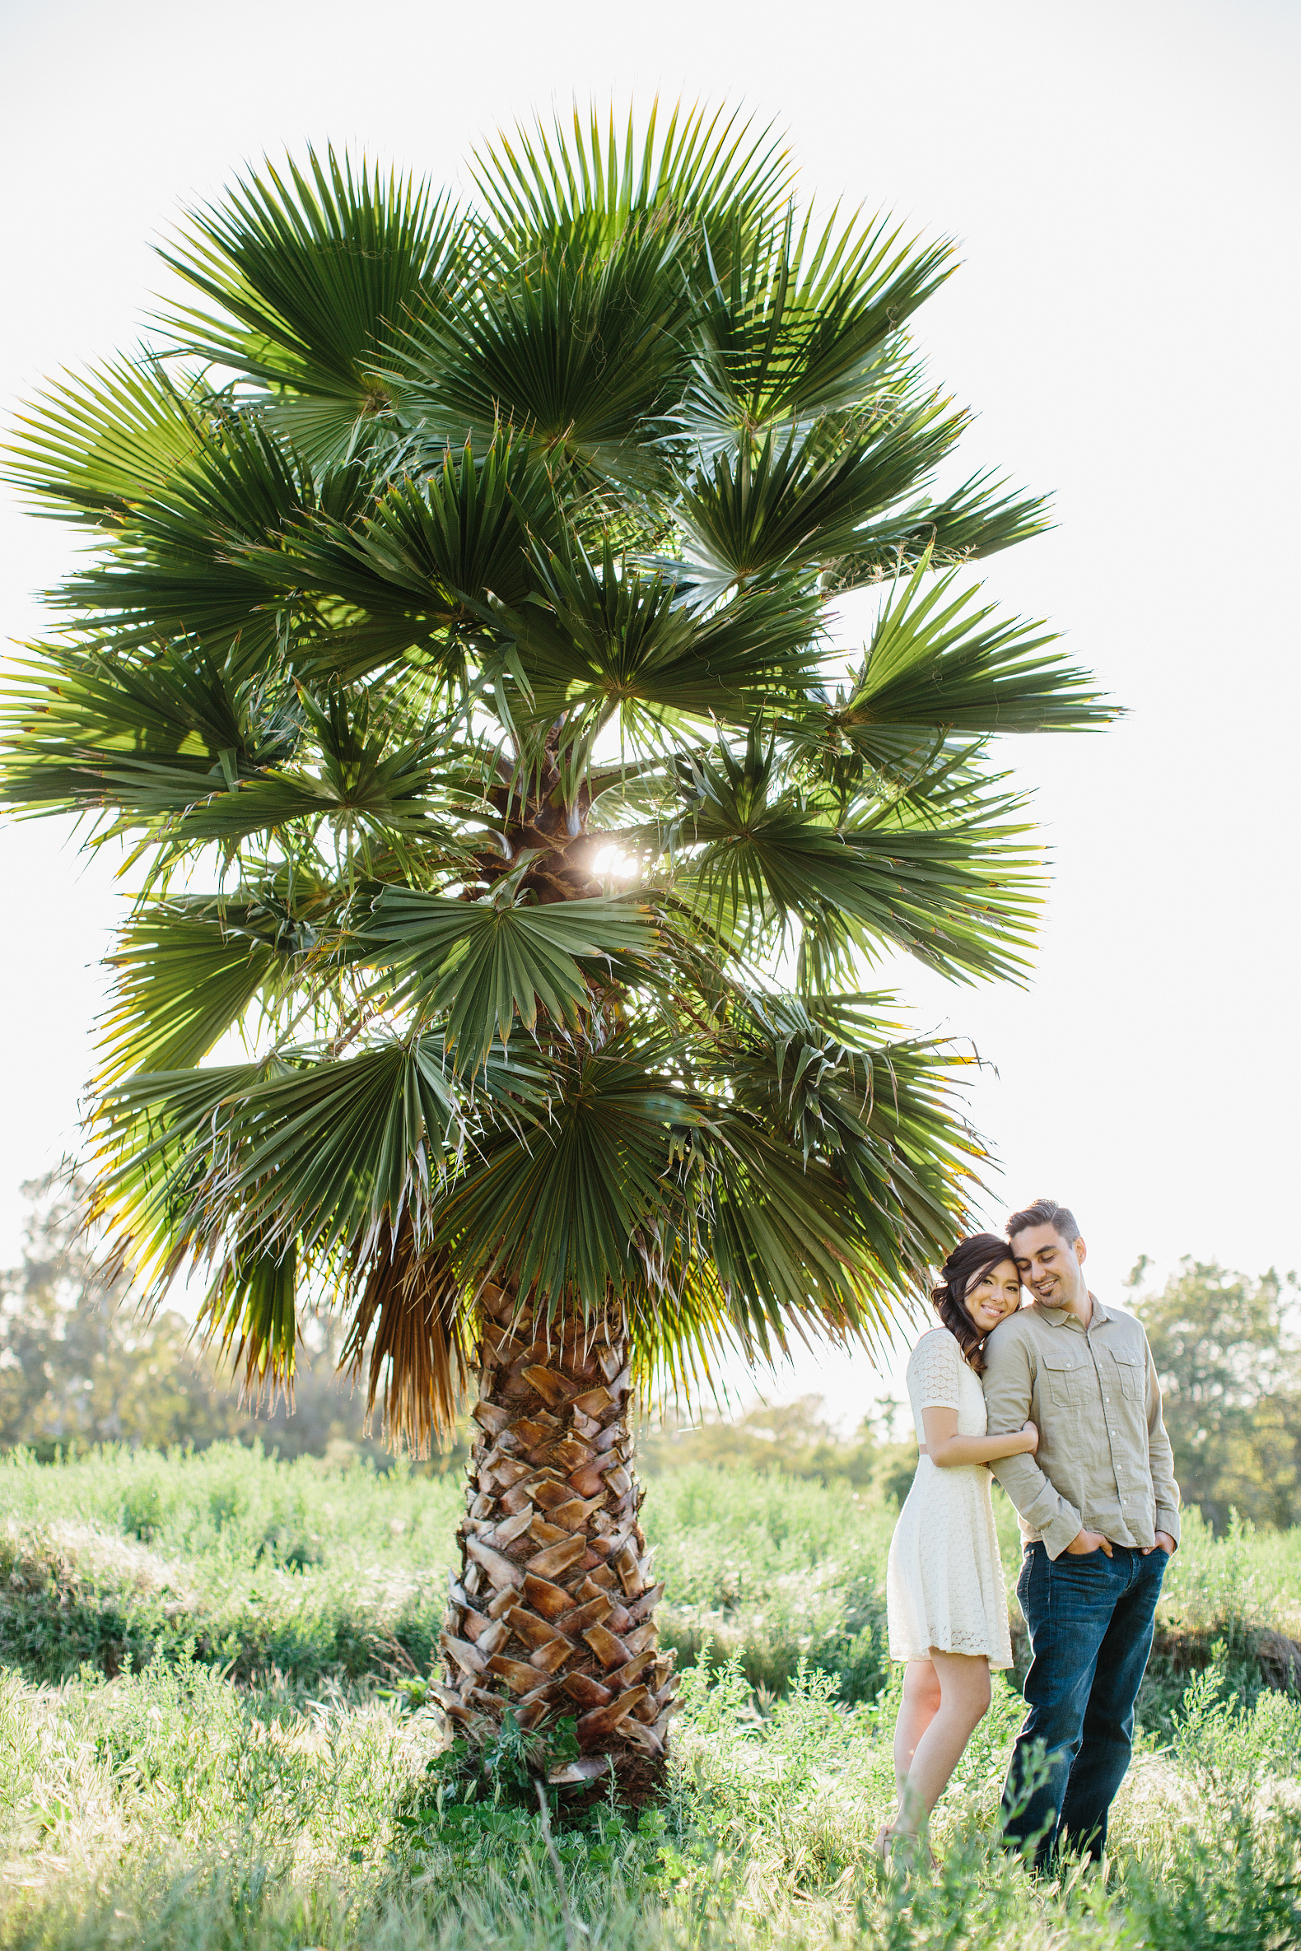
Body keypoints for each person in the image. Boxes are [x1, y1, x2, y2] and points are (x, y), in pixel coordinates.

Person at [983, 1197, 1181, 1871]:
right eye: (1023, 1263)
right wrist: (1065, 1531)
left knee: (1111, 1727)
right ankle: (1020, 1868)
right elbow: (1005, 1448)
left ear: (1078, 1250)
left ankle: (1077, 1859)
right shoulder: (1016, 1339)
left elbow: (1152, 1434)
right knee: (1056, 1723)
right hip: (1066, 1564)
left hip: (1138, 1557)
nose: (1035, 1273)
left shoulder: (1129, 1332)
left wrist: (1165, 1528)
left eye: (1046, 1255)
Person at [880, 1233, 1040, 1863]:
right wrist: (1022, 1441)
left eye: (1011, 1287)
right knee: (969, 1694)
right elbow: (943, 1448)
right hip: (940, 1521)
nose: (1000, 1297)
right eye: (988, 1283)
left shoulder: (968, 1356)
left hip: (958, 1519)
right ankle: (906, 1836)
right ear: (958, 1283)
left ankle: (901, 1827)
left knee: (926, 1685)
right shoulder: (938, 1347)